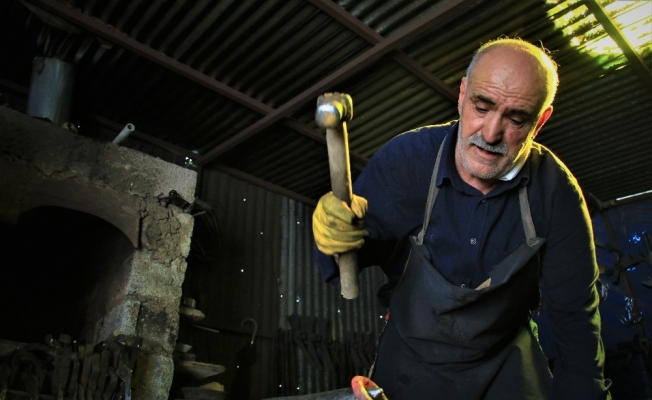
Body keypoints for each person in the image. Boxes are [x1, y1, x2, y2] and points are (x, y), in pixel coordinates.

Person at [312, 38, 611, 399]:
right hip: (411, 354)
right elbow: (352, 254)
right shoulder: (406, 160)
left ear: (541, 120)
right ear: (462, 93)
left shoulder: (555, 192)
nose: (491, 133)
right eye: (482, 107)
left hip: (505, 357)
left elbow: (576, 319)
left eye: (516, 119)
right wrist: (335, 236)